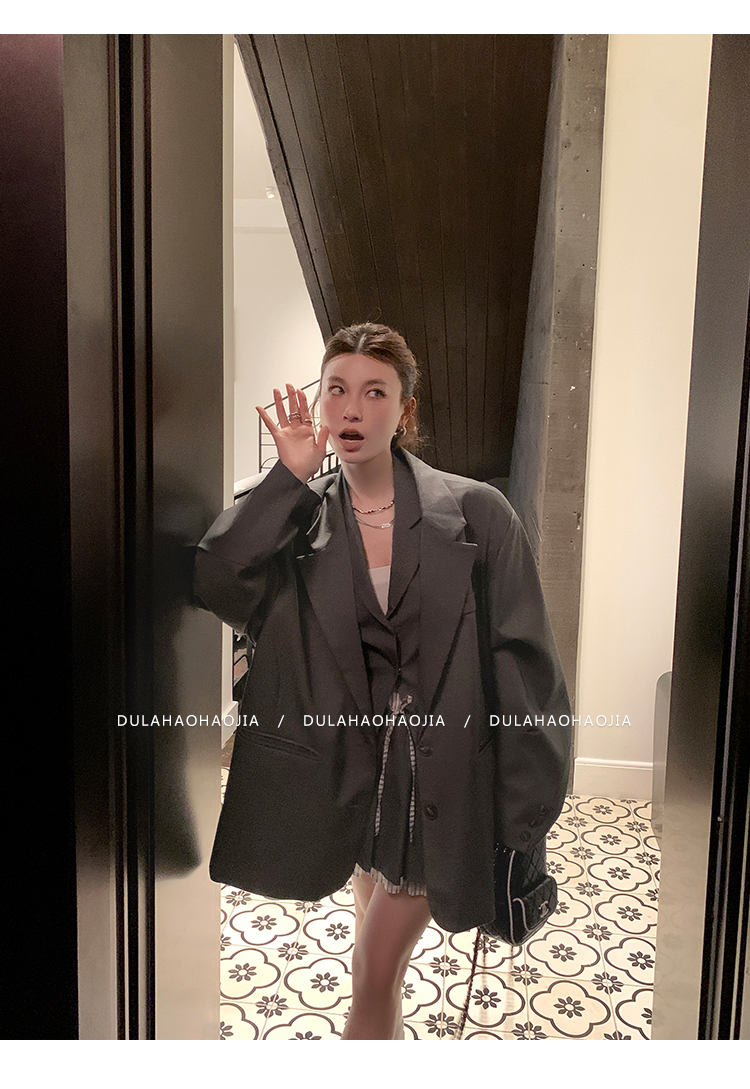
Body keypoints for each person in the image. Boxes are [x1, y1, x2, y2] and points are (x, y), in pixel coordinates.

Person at [193, 322, 571, 1040]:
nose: (352, 408)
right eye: (336, 389)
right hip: (350, 785)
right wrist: (288, 478)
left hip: (441, 788)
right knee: (375, 965)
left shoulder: (477, 513)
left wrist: (523, 818)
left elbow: (528, 669)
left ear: (406, 411)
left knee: (371, 972)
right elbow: (217, 581)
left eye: (375, 392)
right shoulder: (301, 517)